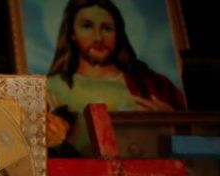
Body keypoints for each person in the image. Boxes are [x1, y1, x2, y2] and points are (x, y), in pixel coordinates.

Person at [46, 0, 186, 152]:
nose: (98, 38)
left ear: (118, 33)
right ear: (72, 33)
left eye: (107, 28)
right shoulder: (50, 89)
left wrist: (173, 121)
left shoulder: (152, 85)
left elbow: (194, 137)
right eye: (87, 26)